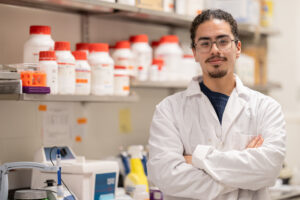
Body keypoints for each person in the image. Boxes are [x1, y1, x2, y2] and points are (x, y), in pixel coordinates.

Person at [147, 9, 286, 200]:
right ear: (195, 52)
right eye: (205, 43)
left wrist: (197, 158)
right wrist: (244, 172)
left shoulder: (266, 108)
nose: (215, 50)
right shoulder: (168, 110)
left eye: (223, 41)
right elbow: (165, 177)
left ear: (237, 48)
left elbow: (269, 169)